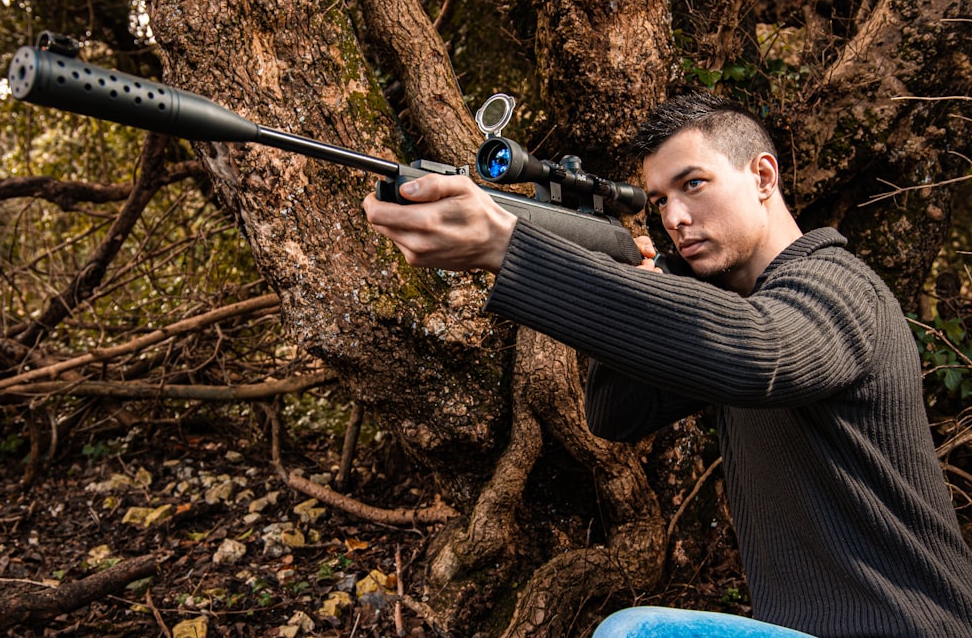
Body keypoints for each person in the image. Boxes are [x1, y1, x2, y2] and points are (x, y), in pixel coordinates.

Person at [362, 92, 972, 637]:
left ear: (763, 176)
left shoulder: (840, 287)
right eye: (660, 201)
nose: (675, 218)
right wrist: (637, 282)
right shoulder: (739, 303)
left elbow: (756, 352)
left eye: (695, 185)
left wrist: (509, 248)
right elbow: (614, 414)